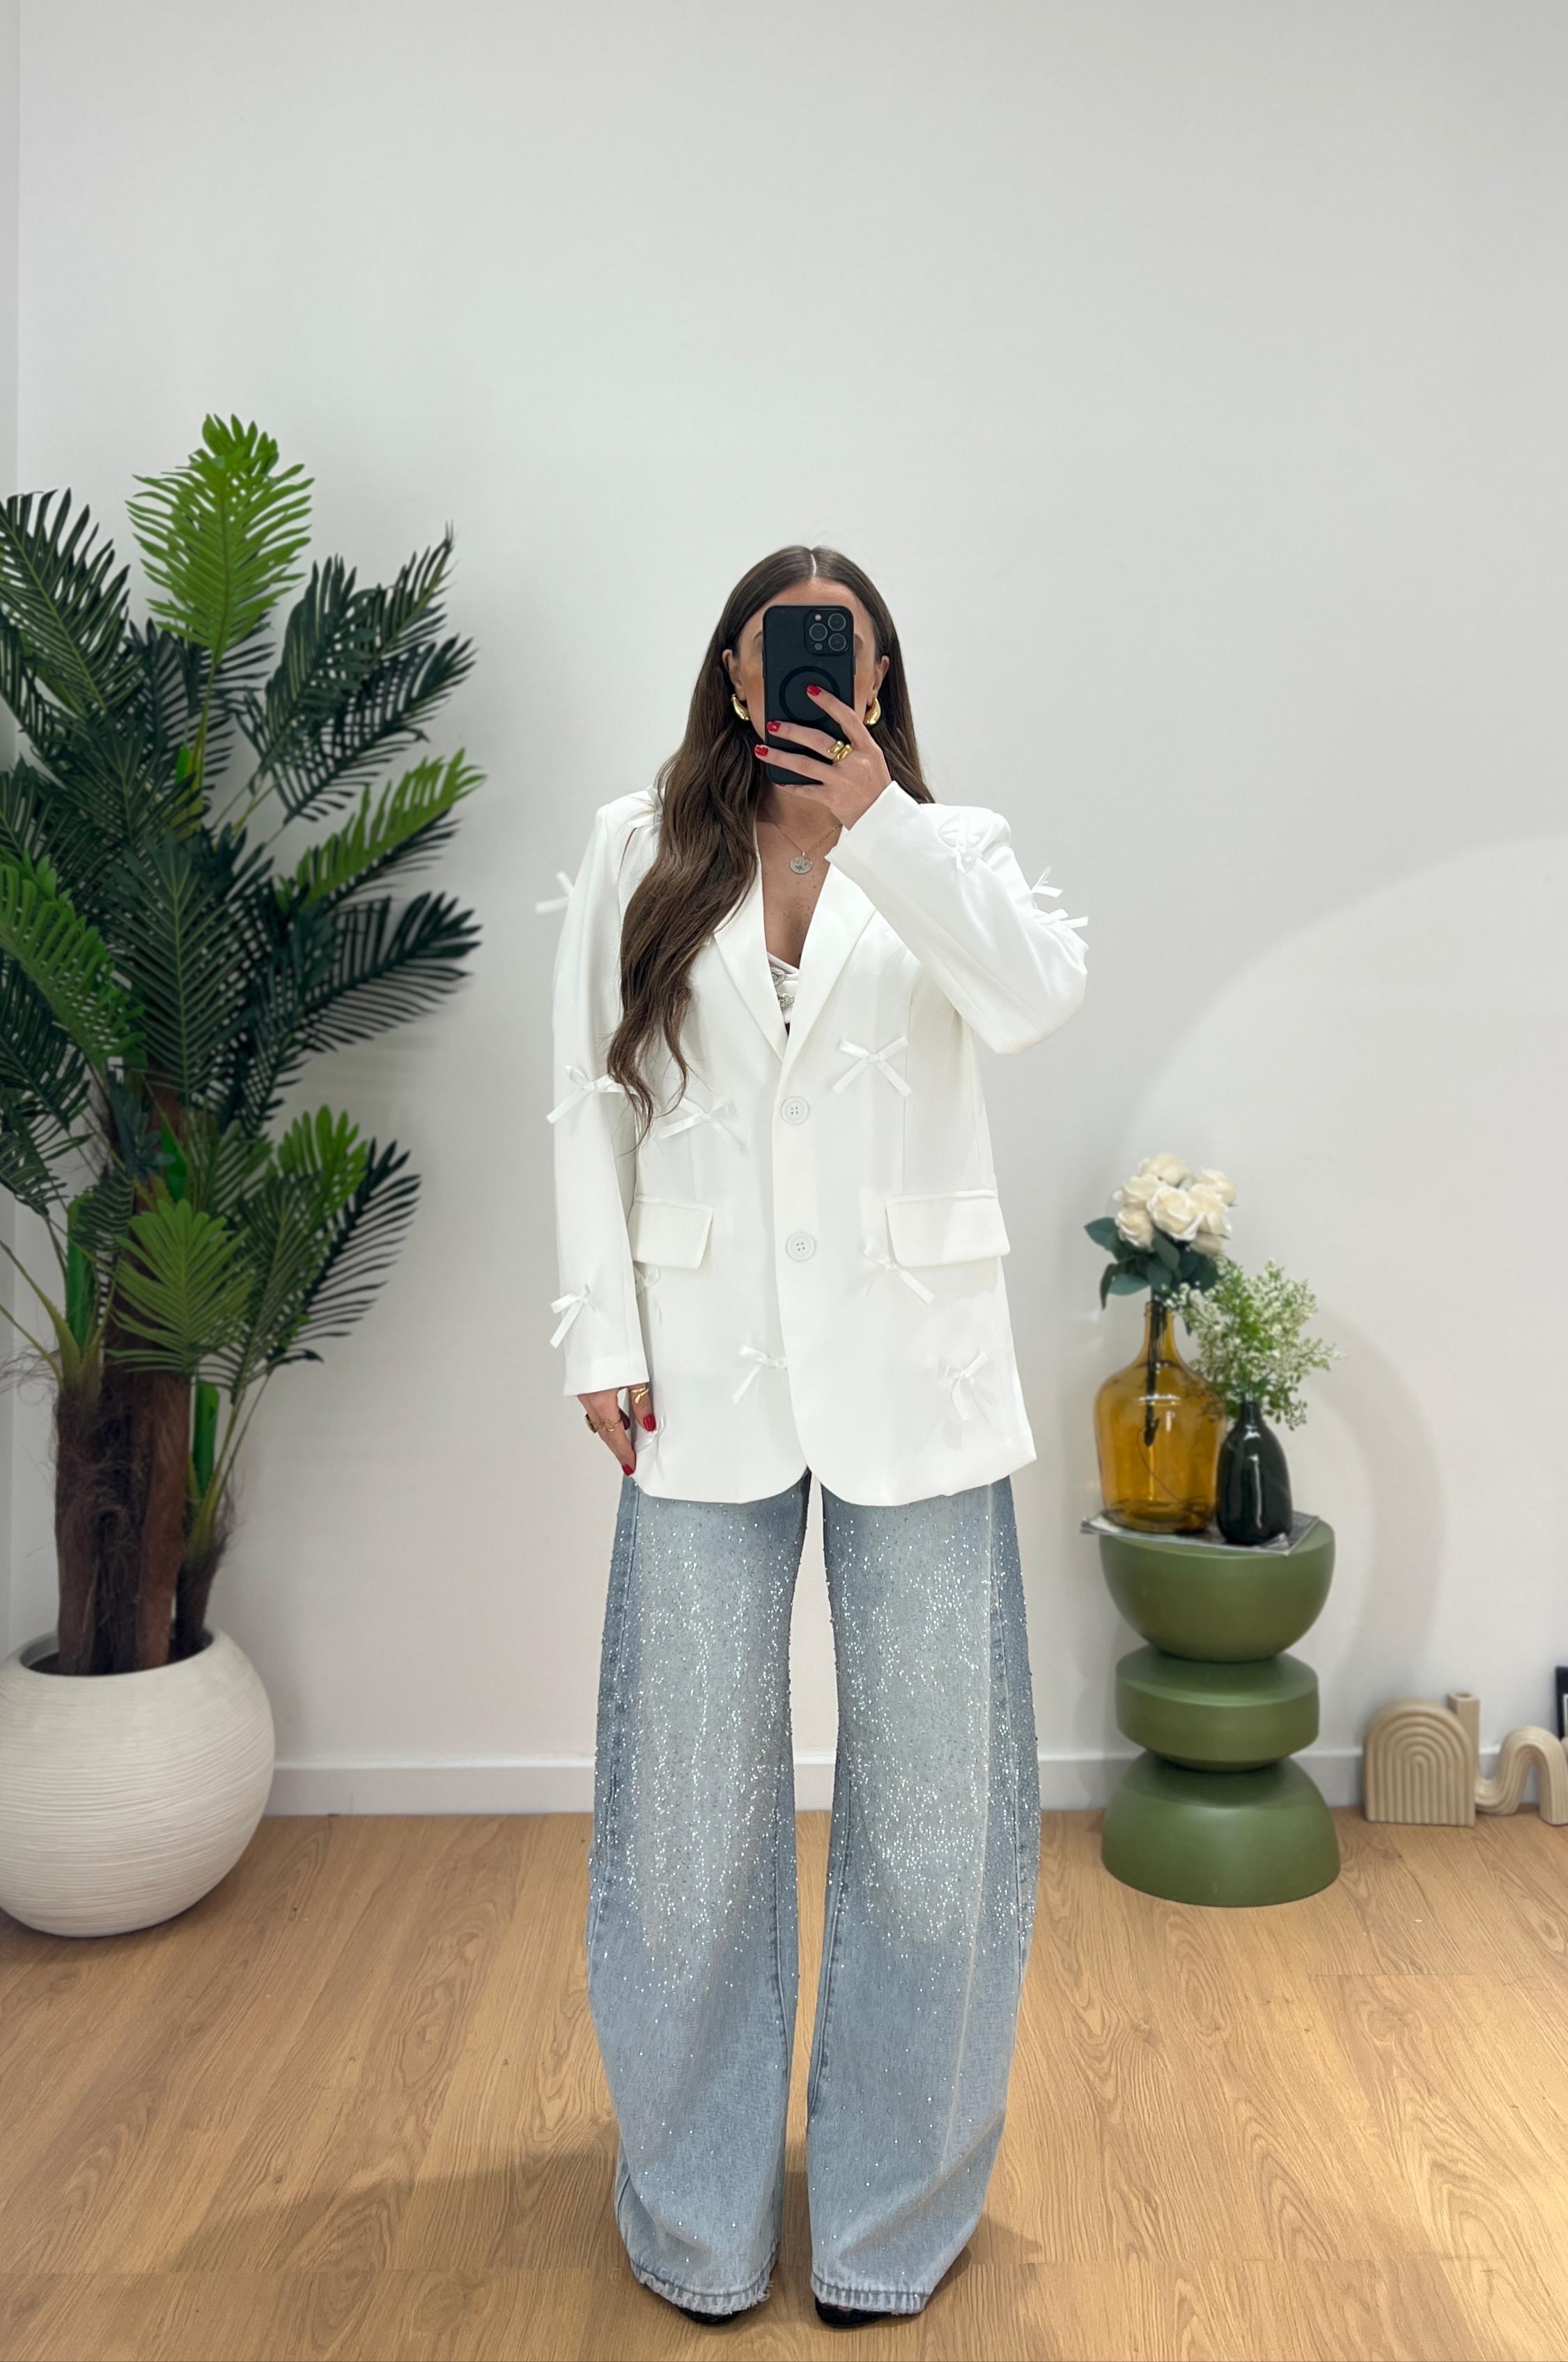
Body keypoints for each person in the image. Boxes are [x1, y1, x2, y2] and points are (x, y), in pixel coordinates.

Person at [547, 545, 1089, 2327]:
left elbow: (1036, 996)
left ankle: (888, 2224)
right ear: (732, 672)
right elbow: (584, 1099)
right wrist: (597, 1332)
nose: (811, 677)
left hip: (915, 1379)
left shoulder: (950, 847)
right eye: (782, 651)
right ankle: (694, 2218)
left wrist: (884, 827)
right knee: (685, 1826)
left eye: (845, 655)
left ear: (877, 681)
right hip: (695, 1368)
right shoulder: (634, 847)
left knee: (936, 1826)